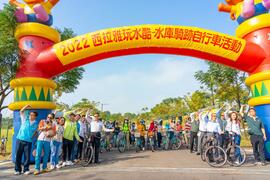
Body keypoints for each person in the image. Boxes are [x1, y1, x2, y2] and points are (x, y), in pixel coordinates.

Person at [14, 105, 38, 175]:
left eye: (33, 115)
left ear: (35, 116)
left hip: (28, 142)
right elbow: (21, 111)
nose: (31, 116)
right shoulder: (24, 119)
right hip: (20, 140)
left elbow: (35, 132)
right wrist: (26, 106)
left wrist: (31, 137)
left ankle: (26, 169)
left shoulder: (36, 123)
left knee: (27, 157)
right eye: (30, 114)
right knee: (18, 155)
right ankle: (17, 170)